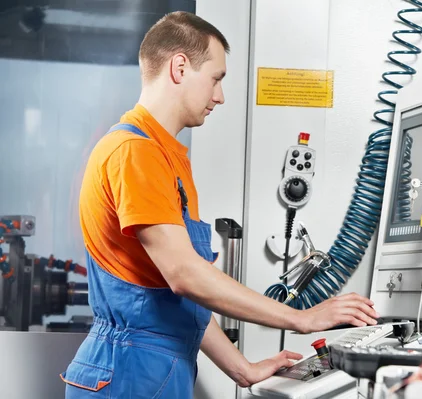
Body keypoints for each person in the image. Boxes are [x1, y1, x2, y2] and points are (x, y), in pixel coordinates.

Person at [60, 11, 379, 398]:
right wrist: (303, 318)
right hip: (129, 371)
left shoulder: (166, 156)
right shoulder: (135, 152)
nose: (220, 96)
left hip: (152, 366)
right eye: (216, 78)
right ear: (179, 67)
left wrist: (242, 369)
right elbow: (184, 273)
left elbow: (178, 295)